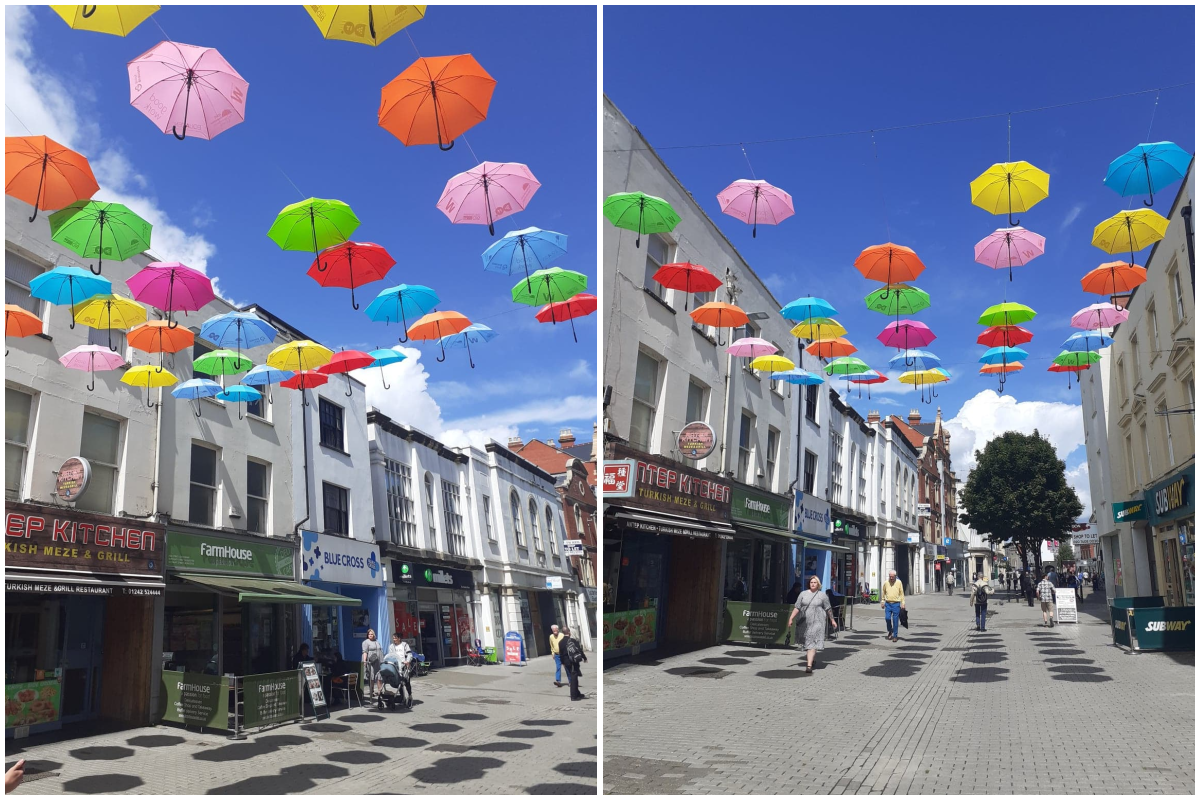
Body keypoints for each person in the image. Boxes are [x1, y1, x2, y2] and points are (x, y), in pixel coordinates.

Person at [787, 575, 839, 673]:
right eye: (811, 582)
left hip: (818, 622)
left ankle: (809, 665)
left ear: (818, 584)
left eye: (815, 582)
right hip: (805, 622)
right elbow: (797, 607)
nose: (813, 584)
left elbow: (828, 608)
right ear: (809, 584)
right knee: (809, 642)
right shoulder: (803, 594)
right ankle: (812, 659)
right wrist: (791, 618)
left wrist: (832, 620)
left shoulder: (822, 595)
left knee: (811, 641)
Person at [560, 625, 587, 700]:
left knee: (573, 678)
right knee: (574, 679)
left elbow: (561, 654)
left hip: (566, 662)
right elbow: (579, 650)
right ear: (569, 632)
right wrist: (584, 658)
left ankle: (577, 693)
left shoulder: (560, 642)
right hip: (573, 662)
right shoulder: (573, 641)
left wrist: (563, 662)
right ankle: (574, 696)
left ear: (563, 633)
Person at [879, 569, 906, 642]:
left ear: (895, 576)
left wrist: (903, 603)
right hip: (888, 603)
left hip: (896, 604)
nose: (891, 578)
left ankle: (895, 636)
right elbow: (884, 592)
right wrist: (882, 601)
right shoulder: (886, 583)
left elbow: (901, 593)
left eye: (892, 577)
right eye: (890, 576)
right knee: (887, 618)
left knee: (895, 620)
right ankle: (890, 630)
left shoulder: (899, 582)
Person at [362, 627, 383, 699]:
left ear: (374, 635)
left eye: (371, 634)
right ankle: (371, 691)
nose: (370, 635)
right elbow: (365, 652)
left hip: (379, 661)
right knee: (371, 676)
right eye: (369, 634)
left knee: (379, 676)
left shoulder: (377, 641)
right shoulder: (366, 642)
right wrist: (365, 661)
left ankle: (380, 691)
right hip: (371, 661)